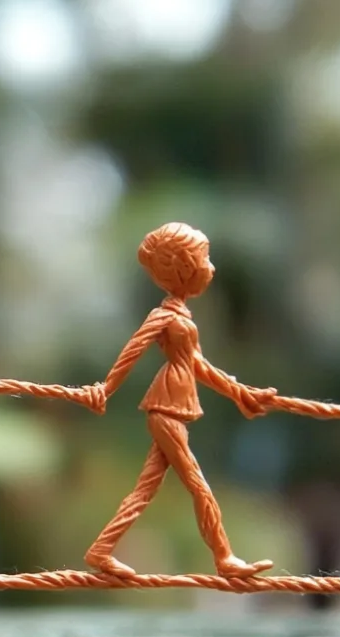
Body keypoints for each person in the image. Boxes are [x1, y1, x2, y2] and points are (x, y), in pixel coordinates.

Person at [85, 222, 277, 579]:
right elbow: (132, 351)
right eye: (205, 259)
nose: (212, 267)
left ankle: (101, 550)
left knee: (145, 489)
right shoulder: (163, 317)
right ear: (183, 268)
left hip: (175, 405)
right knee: (197, 483)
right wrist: (104, 389)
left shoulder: (181, 316)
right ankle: (224, 557)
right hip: (166, 407)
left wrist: (241, 393)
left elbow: (198, 366)